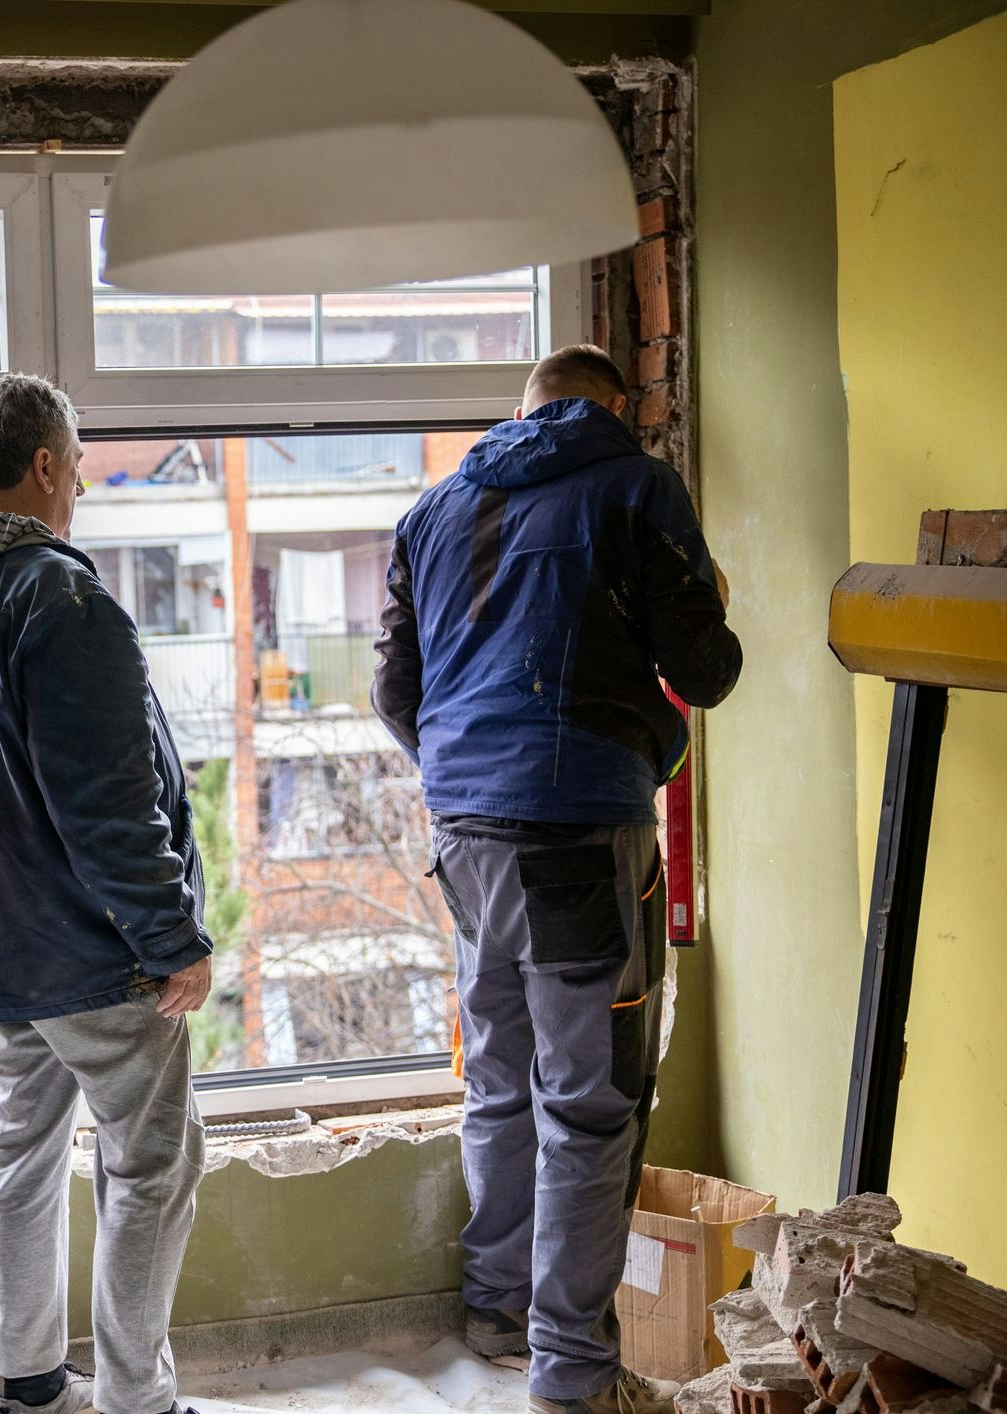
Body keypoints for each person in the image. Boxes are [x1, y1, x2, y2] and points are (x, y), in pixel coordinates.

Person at [372, 345, 740, 1414]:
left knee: (498, 1072)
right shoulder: (636, 485)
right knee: (590, 1103)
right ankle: (572, 1374)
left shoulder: (434, 510)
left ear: (522, 411)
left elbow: (394, 688)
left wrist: (464, 773)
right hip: (578, 837)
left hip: (464, 836)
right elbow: (705, 670)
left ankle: (494, 1309)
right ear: (614, 407)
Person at [0, 373, 213, 1414]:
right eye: (73, 465)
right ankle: (134, 1398)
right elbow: (109, 806)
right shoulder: (59, 597)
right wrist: (172, 937)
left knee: (21, 1152)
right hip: (81, 944)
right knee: (152, 1161)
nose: (77, 485)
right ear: (40, 466)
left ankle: (31, 1387)